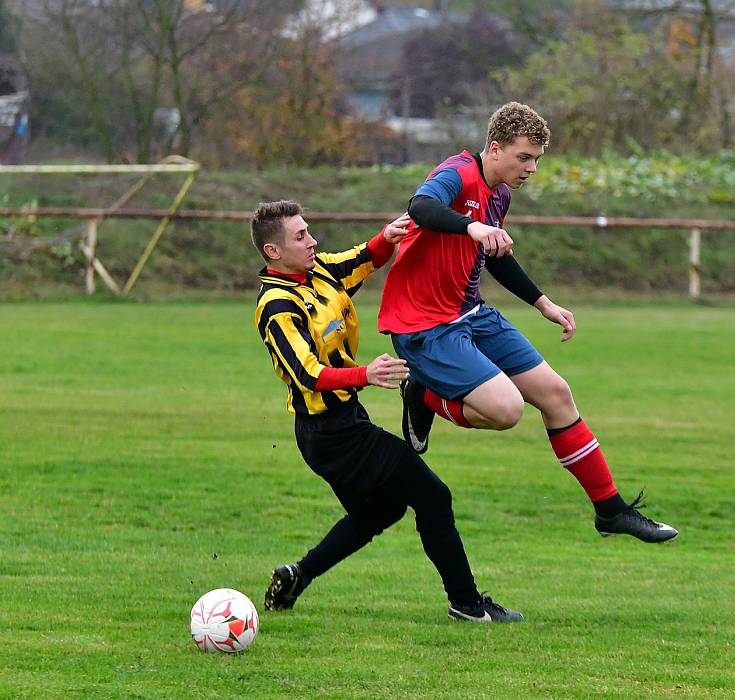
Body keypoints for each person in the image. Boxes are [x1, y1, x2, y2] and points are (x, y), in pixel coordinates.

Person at [378, 102, 678, 544]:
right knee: (506, 411)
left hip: (470, 312)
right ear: (495, 148)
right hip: (425, 323)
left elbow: (495, 256)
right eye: (524, 157)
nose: (532, 168)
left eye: (537, 159)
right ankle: (423, 394)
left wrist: (543, 303)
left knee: (556, 394)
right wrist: (472, 228)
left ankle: (610, 510)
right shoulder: (457, 173)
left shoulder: (500, 194)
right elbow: (420, 207)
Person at [251, 199, 523, 622]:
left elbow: (360, 259)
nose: (313, 241)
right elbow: (307, 375)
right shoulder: (277, 306)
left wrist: (387, 236)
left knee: (379, 510)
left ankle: (297, 576)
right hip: (331, 434)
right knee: (434, 496)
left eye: (309, 231)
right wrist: (366, 374)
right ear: (273, 251)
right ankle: (467, 605)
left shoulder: (316, 270)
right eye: (301, 236)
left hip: (341, 426)